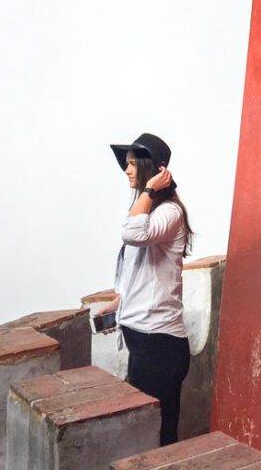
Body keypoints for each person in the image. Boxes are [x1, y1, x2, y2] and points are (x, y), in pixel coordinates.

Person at [91, 132, 194, 447]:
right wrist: (119, 304)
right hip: (144, 343)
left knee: (153, 437)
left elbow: (131, 233)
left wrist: (149, 191)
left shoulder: (169, 213)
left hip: (159, 346)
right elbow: (138, 268)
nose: (127, 169)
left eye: (134, 163)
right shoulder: (149, 212)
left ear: (152, 170)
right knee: (144, 433)